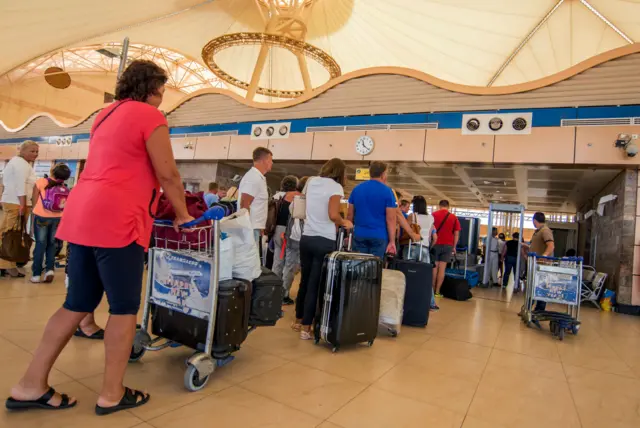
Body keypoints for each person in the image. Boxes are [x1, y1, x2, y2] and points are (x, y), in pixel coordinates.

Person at [7, 60, 194, 415]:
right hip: (118, 218)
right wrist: (184, 215)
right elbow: (167, 172)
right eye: (163, 90)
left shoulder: (104, 115)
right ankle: (111, 393)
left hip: (82, 214)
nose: (163, 97)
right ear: (152, 87)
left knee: (76, 303)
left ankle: (30, 385)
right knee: (123, 308)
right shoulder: (150, 116)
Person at [294, 159, 352, 340]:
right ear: (340, 172)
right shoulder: (335, 187)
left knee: (304, 279)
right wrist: (345, 222)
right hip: (324, 239)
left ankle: (298, 319)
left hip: (307, 237)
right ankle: (306, 328)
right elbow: (333, 214)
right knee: (315, 284)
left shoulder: (311, 181)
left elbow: (303, 204)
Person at [0, 140, 38, 278]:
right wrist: (22, 204)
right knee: (11, 235)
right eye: (32, 151)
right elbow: (20, 185)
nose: (35, 154)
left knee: (7, 233)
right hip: (17, 203)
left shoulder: (17, 162)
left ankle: (6, 263)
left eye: (36, 151)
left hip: (13, 201)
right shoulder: (20, 164)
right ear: (22, 151)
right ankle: (7, 265)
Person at [29, 163, 71, 283]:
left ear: (52, 171)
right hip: (58, 218)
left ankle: (36, 274)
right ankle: (49, 270)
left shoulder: (42, 181)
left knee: (40, 244)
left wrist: (34, 212)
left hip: (42, 217)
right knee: (52, 244)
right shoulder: (64, 186)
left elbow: (34, 199)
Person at [347, 161, 397, 259]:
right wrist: (392, 241)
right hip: (379, 236)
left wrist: (348, 235)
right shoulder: (388, 192)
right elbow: (391, 219)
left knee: (358, 267)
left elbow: (350, 215)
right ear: (383, 174)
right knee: (374, 269)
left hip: (359, 234)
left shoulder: (356, 189)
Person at [406, 196, 440, 311]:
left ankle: (407, 299)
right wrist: (429, 246)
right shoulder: (431, 218)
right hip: (424, 248)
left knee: (408, 274)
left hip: (412, 247)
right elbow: (434, 237)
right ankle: (431, 303)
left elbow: (407, 230)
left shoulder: (412, 216)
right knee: (426, 276)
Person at [271, 175, 301, 305]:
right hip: (291, 231)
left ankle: (273, 291)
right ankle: (284, 294)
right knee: (290, 263)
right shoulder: (298, 197)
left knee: (277, 261)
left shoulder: (279, 197)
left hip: (278, 230)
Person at [238, 147, 273, 244]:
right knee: (248, 258)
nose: (272, 163)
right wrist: (246, 230)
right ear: (263, 161)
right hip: (250, 229)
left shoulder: (258, 177)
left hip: (254, 227)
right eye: (270, 160)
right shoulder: (253, 178)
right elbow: (244, 203)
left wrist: (260, 226)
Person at [431, 200, 461, 298]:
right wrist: (454, 247)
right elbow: (456, 233)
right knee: (442, 269)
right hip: (448, 245)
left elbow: (430, 230)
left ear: (439, 206)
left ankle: (431, 290)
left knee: (434, 268)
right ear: (448, 206)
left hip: (435, 244)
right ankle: (437, 292)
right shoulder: (453, 217)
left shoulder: (433, 215)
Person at [529, 212, 554, 311]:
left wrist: (544, 255)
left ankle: (539, 309)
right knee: (533, 287)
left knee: (541, 288)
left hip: (542, 266)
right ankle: (529, 307)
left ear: (535, 220)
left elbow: (551, 245)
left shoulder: (545, 231)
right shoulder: (538, 232)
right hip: (536, 265)